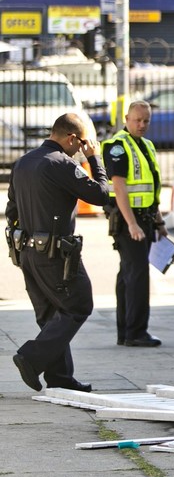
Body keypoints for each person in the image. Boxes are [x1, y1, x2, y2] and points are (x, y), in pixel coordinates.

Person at [6, 113, 110, 392]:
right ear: (71, 138)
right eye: (82, 143)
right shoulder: (62, 164)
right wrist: (94, 159)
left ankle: (60, 379)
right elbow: (100, 194)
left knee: (50, 315)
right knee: (78, 305)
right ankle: (30, 357)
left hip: (27, 252)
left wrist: (18, 247)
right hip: (56, 256)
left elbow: (11, 211)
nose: (81, 149)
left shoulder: (23, 162)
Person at [102, 100, 166, 348]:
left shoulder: (146, 145)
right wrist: (132, 224)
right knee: (137, 275)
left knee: (128, 275)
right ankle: (136, 332)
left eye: (146, 120)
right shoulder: (118, 146)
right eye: (137, 120)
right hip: (130, 220)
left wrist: (159, 221)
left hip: (145, 217)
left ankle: (126, 332)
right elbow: (119, 188)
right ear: (127, 119)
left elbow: (150, 188)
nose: (142, 124)